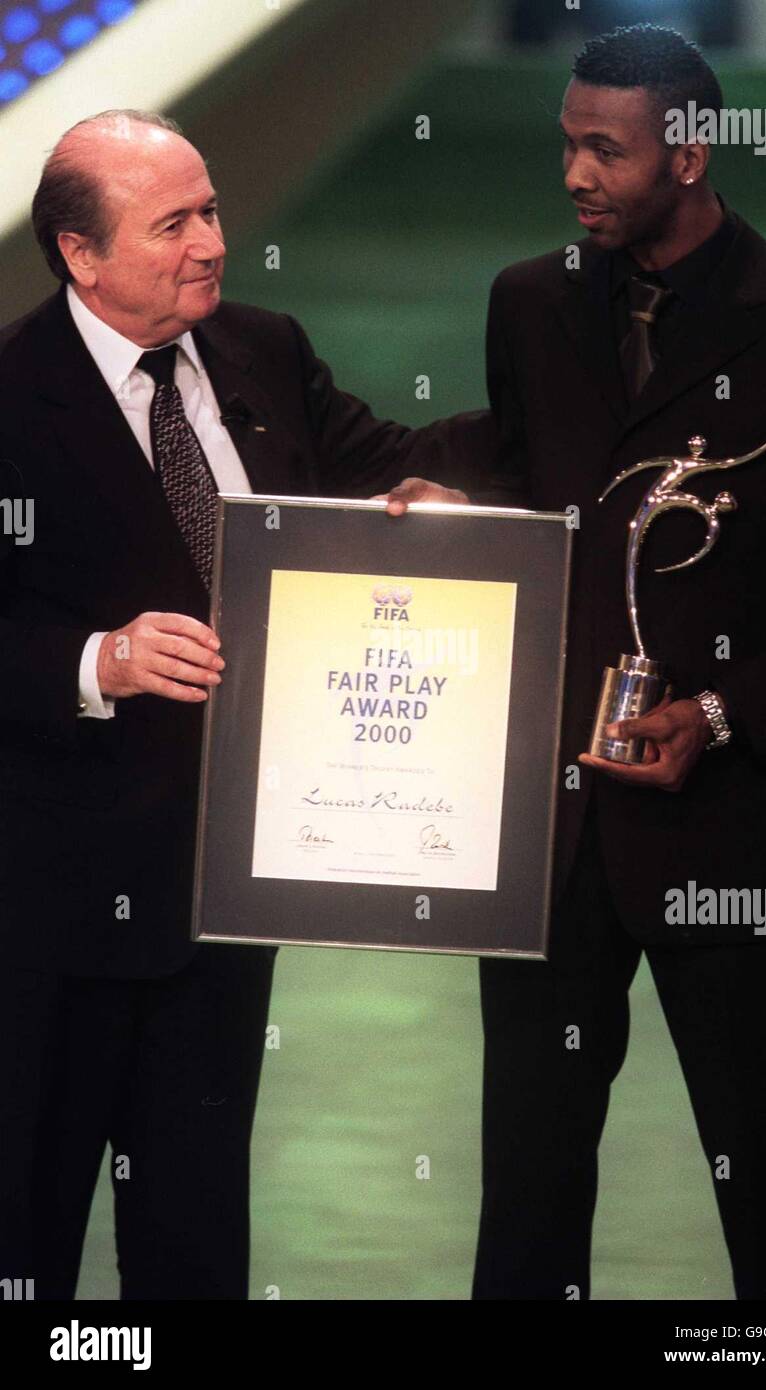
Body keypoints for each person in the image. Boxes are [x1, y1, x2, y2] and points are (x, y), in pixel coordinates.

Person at [0, 109, 466, 1301]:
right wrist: (94, 660)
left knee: (196, 1233)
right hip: (49, 913)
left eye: (210, 210)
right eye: (174, 224)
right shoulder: (10, 396)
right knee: (27, 1229)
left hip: (221, 901)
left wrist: (450, 489)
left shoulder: (262, 351)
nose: (213, 242)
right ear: (80, 253)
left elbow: (385, 463)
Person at [470, 25, 766, 1300]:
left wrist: (726, 713)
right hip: (549, 852)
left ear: (690, 154)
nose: (575, 173)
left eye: (604, 150)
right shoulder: (527, 304)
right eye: (567, 142)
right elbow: (528, 489)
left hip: (733, 845)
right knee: (525, 1196)